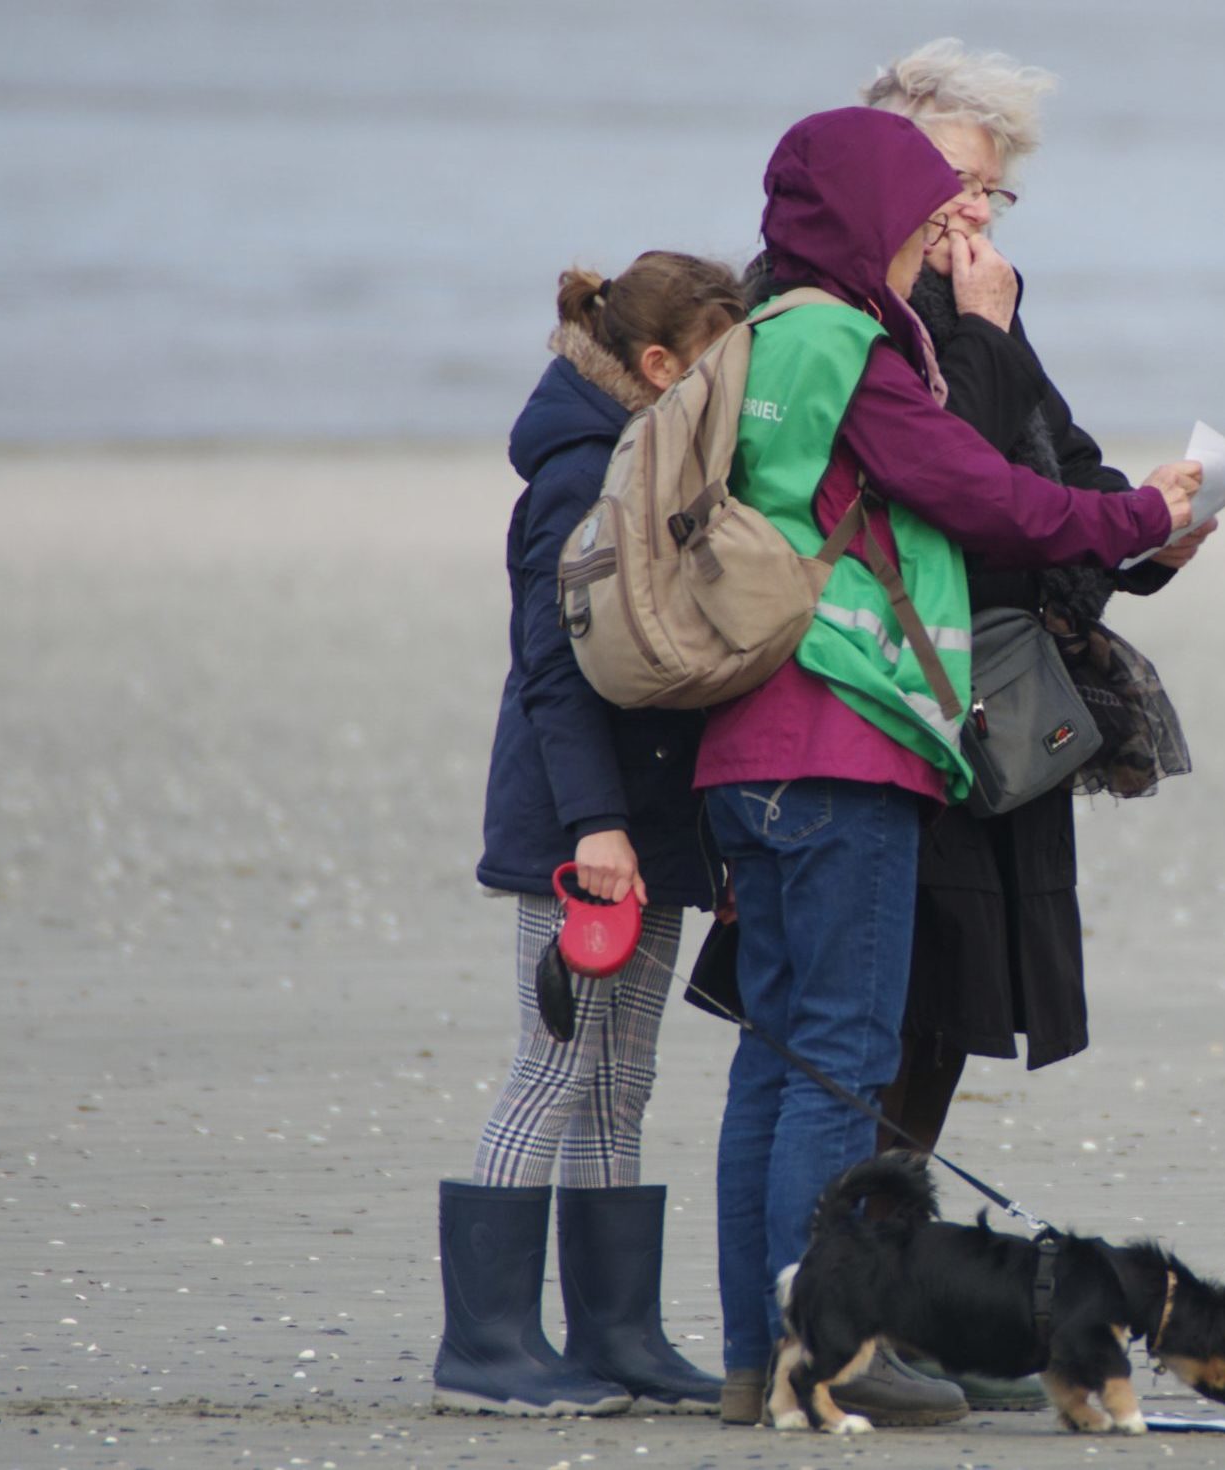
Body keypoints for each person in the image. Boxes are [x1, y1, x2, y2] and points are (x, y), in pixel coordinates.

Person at [697, 106, 1198, 1426]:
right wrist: (1140, 516)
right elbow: (978, 492)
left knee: (778, 1060)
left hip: (748, 742)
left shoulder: (757, 336)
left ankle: (761, 1352)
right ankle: (814, 1356)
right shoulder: (849, 344)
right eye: (927, 217)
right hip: (843, 735)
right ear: (870, 221)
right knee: (843, 1058)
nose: (946, 239)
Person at [858, 37, 1209, 1234]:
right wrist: (985, 328)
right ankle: (846, 1295)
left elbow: (1060, 460)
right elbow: (956, 481)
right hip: (899, 684)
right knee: (886, 1009)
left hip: (1007, 686)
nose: (971, 212)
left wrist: (1149, 533)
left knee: (958, 1011)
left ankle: (894, 1290)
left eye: (990, 190)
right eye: (950, 181)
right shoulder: (858, 308)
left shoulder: (982, 297)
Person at [434, 252, 742, 1417]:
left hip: (655, 816)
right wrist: (598, 828)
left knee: (624, 1080)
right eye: (715, 369)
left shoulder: (661, 451)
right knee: (554, 1065)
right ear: (659, 366)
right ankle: (487, 1340)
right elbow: (551, 674)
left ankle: (616, 1331)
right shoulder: (575, 474)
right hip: (577, 824)